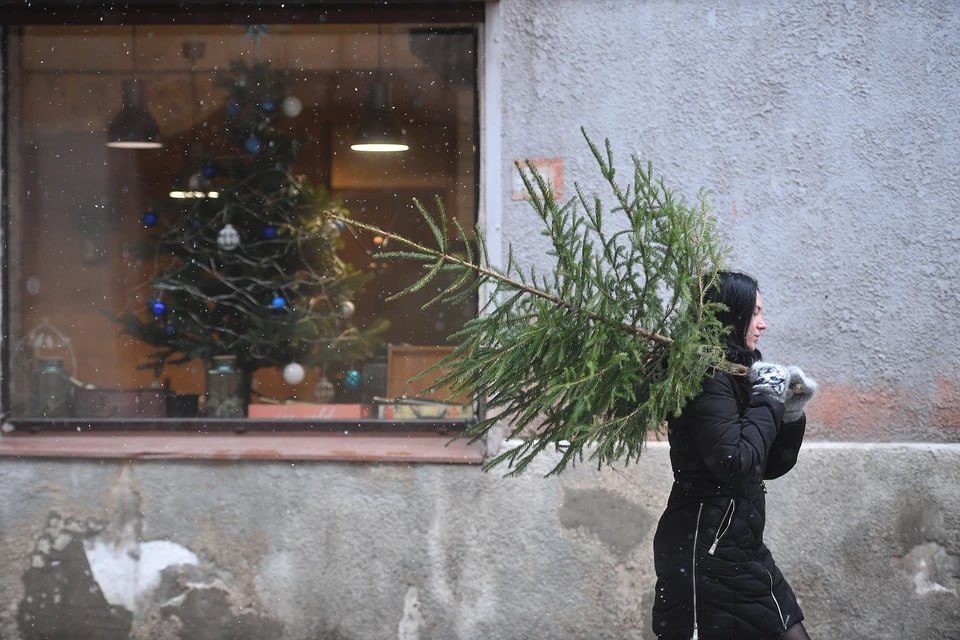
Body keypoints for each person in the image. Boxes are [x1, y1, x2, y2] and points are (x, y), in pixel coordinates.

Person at [651, 271, 817, 640]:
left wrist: (789, 413)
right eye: (754, 312)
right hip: (707, 549)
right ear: (731, 315)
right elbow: (734, 462)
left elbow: (766, 466)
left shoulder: (734, 374)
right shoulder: (705, 377)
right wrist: (768, 397)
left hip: (738, 544)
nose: (763, 323)